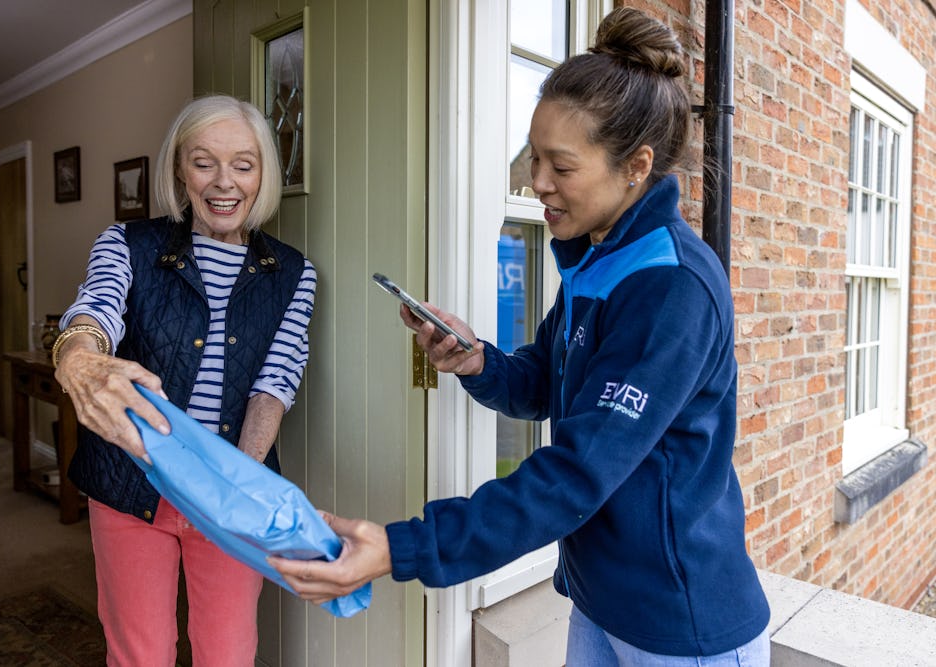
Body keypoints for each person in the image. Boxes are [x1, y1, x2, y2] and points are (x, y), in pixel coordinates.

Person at [270, 8, 769, 666]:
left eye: (560, 166)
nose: (536, 182)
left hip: (681, 625)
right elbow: (545, 382)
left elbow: (575, 473)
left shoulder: (670, 287)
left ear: (636, 166)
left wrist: (402, 547)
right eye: (534, 157)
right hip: (599, 600)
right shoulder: (597, 256)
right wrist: (477, 360)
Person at [52, 94, 317, 666]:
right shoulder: (127, 244)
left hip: (232, 486)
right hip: (131, 483)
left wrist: (236, 487)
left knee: (228, 653)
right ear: (179, 168)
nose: (225, 182)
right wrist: (78, 355)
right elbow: (96, 307)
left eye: (243, 165)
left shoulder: (293, 273)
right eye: (204, 162)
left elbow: (274, 384)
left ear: (262, 174)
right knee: (139, 654)